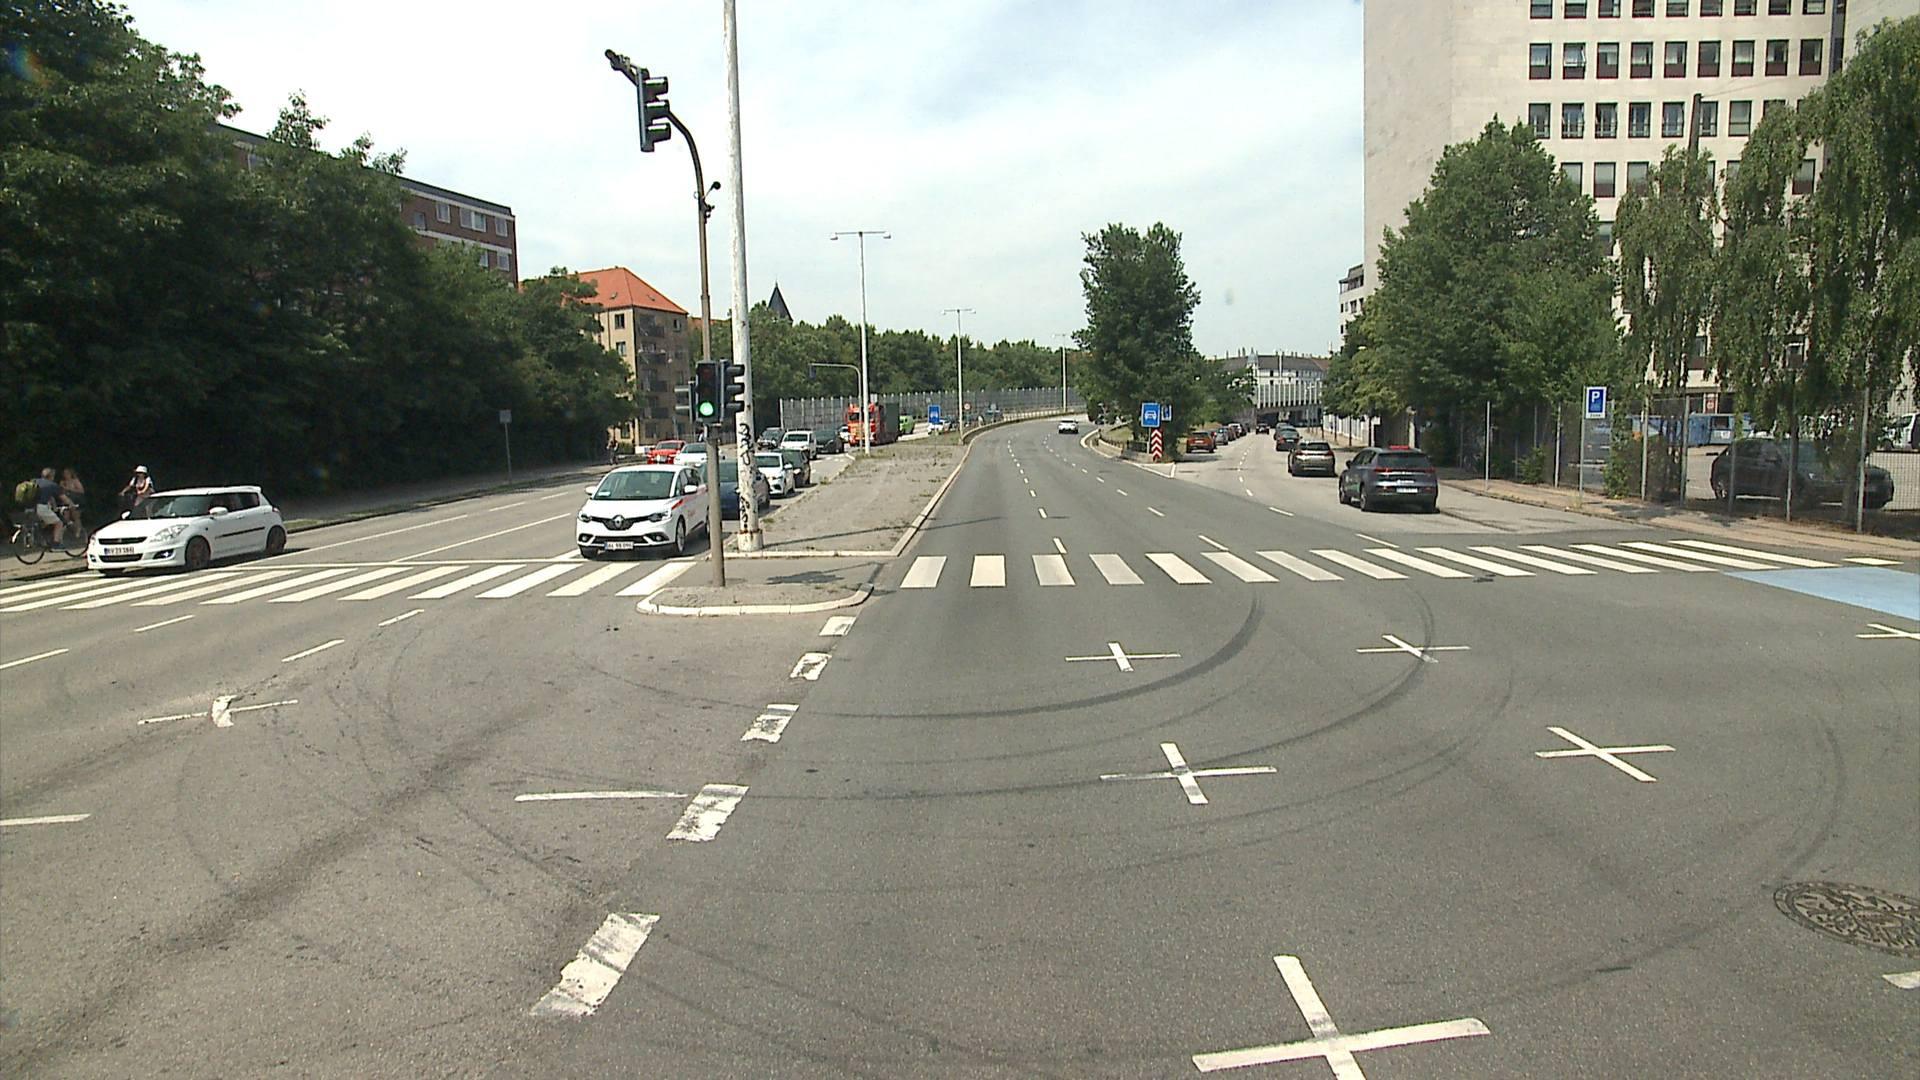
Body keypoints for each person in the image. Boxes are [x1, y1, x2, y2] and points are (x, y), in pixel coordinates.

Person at [31, 468, 67, 546]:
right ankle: (56, 544)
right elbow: (64, 498)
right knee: (59, 523)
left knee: (46, 522)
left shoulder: (34, 481)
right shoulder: (52, 485)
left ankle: (40, 537)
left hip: (30, 507)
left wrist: (54, 506)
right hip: (41, 507)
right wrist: (72, 505)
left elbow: (50, 497)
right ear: (51, 476)